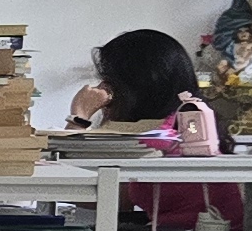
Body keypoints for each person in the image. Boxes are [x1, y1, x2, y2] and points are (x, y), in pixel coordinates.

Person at [68, 27, 221, 154]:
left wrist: (80, 115)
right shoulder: (185, 123)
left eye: (111, 80)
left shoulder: (151, 139)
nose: (104, 88)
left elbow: (72, 170)